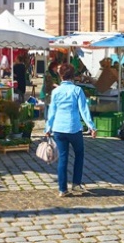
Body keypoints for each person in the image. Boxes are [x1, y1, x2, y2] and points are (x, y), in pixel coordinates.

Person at [45, 64, 97, 197]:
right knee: (79, 154)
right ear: (73, 76)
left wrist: (48, 128)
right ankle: (76, 183)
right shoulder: (77, 90)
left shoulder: (56, 92)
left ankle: (62, 189)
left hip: (59, 128)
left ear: (60, 75)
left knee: (63, 158)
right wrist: (91, 127)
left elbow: (52, 111)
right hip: (74, 128)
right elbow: (83, 110)